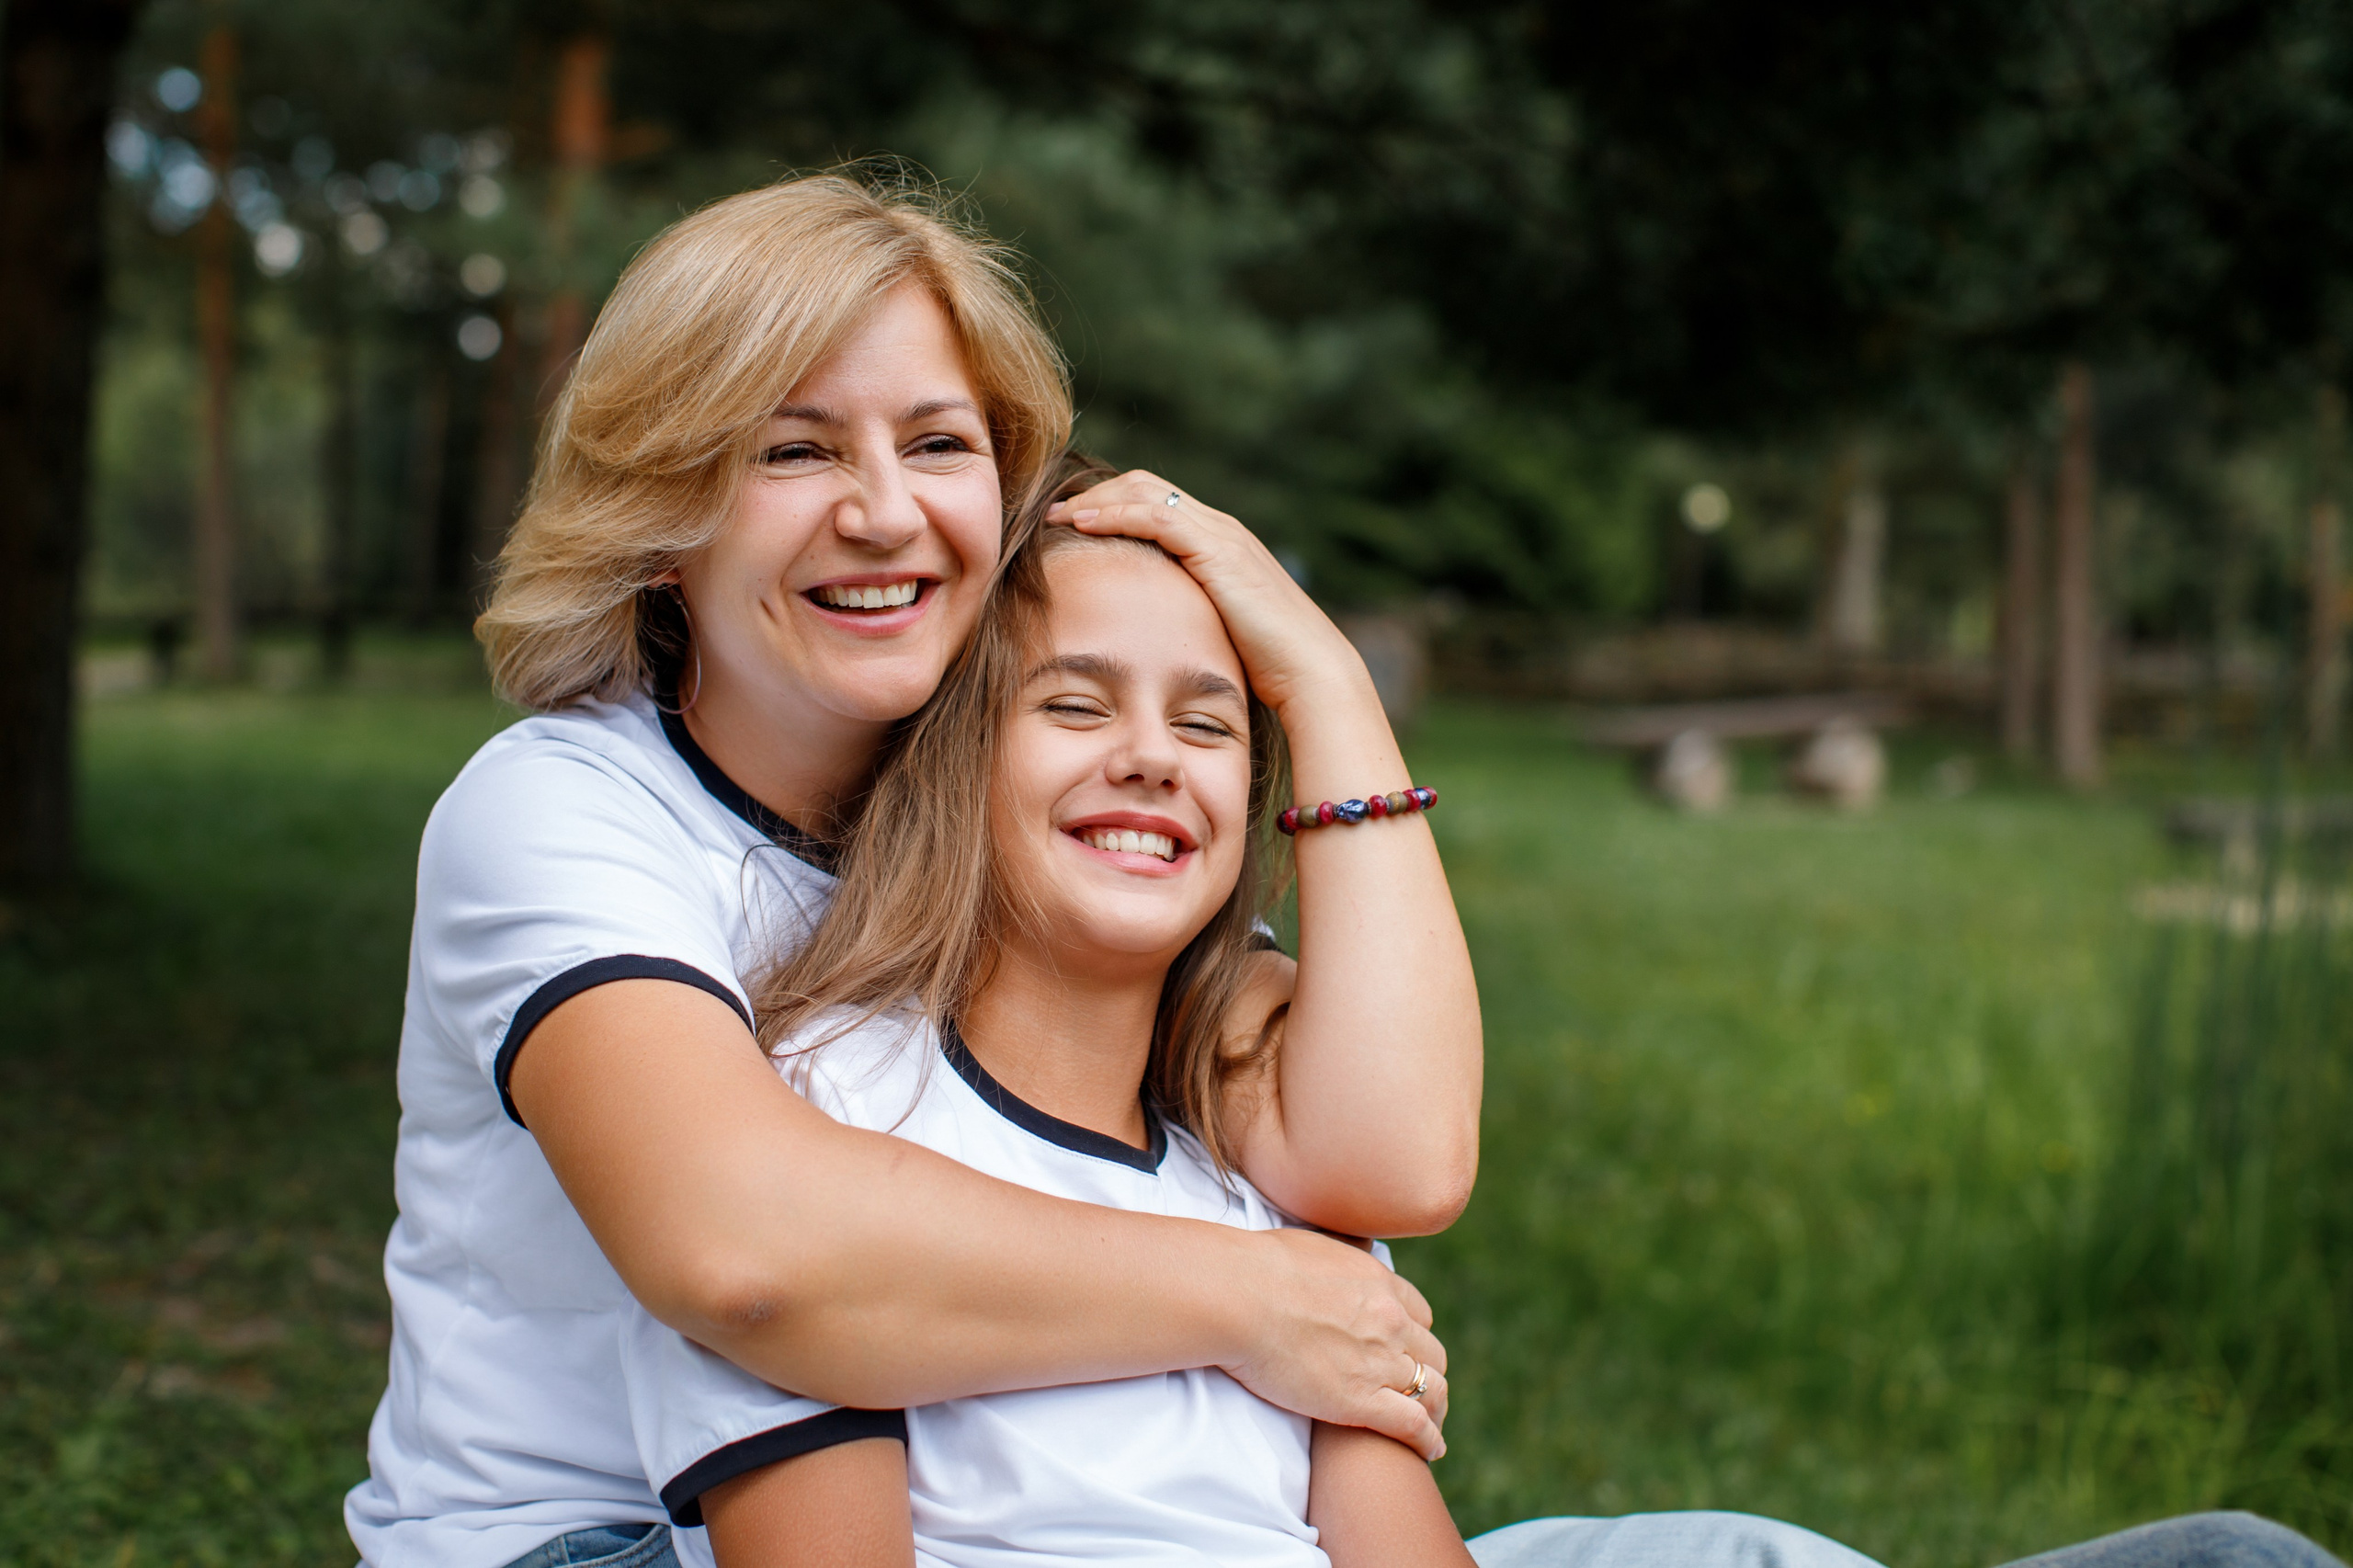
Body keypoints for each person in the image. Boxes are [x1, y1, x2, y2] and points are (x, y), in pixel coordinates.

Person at [618, 499, 2353, 1568]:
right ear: (947, 765)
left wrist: (1323, 669)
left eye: (1217, 722)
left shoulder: (1264, 1168)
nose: (1152, 754)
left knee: (2239, 1553)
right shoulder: (823, 1126)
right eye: (1074, 704)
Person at [345, 173, 1483, 1568]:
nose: (885, 513)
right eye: (794, 451)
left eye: (938, 443)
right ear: (660, 513)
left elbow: (1395, 1157)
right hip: (605, 1538)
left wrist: (1318, 674)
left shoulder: (1006, 817)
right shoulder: (560, 810)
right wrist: (1261, 1300)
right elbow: (748, 1254)